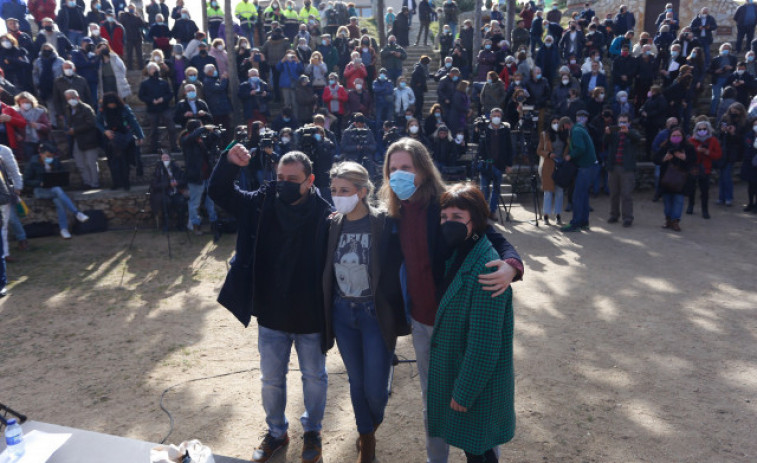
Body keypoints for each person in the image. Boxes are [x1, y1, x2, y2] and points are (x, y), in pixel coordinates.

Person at [378, 138, 523, 463]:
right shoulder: (393, 213)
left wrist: (512, 266)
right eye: (392, 169)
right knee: (434, 400)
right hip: (420, 322)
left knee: (474, 397)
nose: (398, 174)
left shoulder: (442, 207)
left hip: (454, 322)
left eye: (406, 167)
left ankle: (486, 454)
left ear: (423, 171)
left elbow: (493, 235)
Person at [209, 147, 331, 463]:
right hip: (272, 313)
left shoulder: (327, 214)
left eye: (293, 179)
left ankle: (313, 432)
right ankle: (276, 433)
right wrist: (228, 163)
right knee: (271, 380)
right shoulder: (261, 203)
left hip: (311, 315)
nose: (284, 183)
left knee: (315, 378)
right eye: (280, 177)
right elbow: (221, 192)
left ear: (310, 180)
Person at [322, 161, 408, 463]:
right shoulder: (332, 223)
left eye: (344, 190)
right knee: (356, 382)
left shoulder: (383, 223)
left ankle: (370, 425)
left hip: (375, 315)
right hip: (342, 315)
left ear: (361, 191)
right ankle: (366, 439)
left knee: (376, 391)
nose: (337, 196)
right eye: (333, 190)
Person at [428, 183, 515, 463]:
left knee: (479, 452)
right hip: (462, 375)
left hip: (476, 387)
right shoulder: (461, 250)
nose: (448, 224)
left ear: (475, 221)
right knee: (475, 448)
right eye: (444, 217)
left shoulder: (487, 268)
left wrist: (464, 393)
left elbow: (485, 344)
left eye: (457, 217)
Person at [24, 142, 90, 239]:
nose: (50, 158)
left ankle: (64, 229)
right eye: (48, 156)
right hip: (40, 191)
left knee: (58, 199)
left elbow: (61, 173)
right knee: (57, 190)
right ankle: (76, 213)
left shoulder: (55, 161)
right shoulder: (33, 163)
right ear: (41, 154)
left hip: (54, 190)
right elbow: (26, 181)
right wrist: (39, 183)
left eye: (51, 156)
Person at [97, 91, 144, 190]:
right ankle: (116, 183)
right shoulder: (102, 110)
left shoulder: (124, 108)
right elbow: (97, 122)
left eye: (113, 104)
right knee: (112, 162)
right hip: (110, 139)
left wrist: (140, 136)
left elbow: (133, 122)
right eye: (109, 105)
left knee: (125, 161)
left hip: (124, 137)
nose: (111, 106)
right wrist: (105, 131)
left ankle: (126, 183)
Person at [180, 119, 218, 236]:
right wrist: (205, 128)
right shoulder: (186, 139)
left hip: (207, 174)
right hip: (196, 176)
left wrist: (215, 133)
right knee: (195, 203)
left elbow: (213, 143)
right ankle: (196, 226)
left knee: (210, 201)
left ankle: (214, 224)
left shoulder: (201, 139)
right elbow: (193, 136)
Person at [561, 111, 597, 233]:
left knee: (577, 196)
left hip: (585, 167)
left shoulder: (575, 132)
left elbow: (580, 148)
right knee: (584, 196)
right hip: (590, 166)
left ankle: (575, 223)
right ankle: (584, 222)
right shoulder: (580, 129)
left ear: (566, 125)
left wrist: (570, 156)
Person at [654, 127, 696, 232]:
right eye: (673, 136)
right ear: (670, 137)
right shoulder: (665, 146)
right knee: (667, 201)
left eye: (678, 136)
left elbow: (694, 161)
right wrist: (664, 158)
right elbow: (655, 159)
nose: (676, 138)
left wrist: (684, 158)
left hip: (681, 179)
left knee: (678, 201)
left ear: (683, 137)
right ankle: (668, 219)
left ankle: (675, 221)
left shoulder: (689, 147)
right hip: (666, 178)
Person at [603, 113, 640, 227]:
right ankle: (614, 215)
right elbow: (605, 143)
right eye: (621, 121)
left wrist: (627, 132)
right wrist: (608, 133)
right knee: (614, 193)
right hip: (613, 167)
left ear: (629, 123)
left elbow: (637, 138)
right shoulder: (614, 134)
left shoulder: (632, 133)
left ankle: (627, 217)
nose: (622, 124)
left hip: (627, 169)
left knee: (626, 194)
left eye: (625, 121)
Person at [477, 108, 512, 215]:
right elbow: (478, 145)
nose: (496, 117)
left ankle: (492, 211)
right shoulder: (484, 129)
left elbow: (509, 148)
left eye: (498, 116)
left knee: (496, 191)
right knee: (484, 190)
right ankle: (483, 212)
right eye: (494, 115)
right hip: (486, 164)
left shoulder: (505, 130)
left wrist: (509, 164)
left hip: (499, 164)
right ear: (490, 117)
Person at [64, 89, 100, 189]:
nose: (70, 100)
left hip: (89, 139)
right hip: (77, 140)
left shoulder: (86, 108)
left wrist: (75, 130)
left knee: (91, 163)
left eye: (72, 98)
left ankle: (95, 183)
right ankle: (87, 182)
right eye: (68, 98)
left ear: (77, 97)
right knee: (80, 163)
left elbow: (91, 123)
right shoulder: (68, 109)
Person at [686, 119, 722, 219]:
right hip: (694, 167)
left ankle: (705, 210)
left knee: (705, 190)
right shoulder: (691, 141)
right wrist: (696, 151)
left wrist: (708, 153)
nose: (702, 131)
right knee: (692, 188)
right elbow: (687, 154)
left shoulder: (713, 140)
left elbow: (718, 154)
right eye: (699, 129)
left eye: (704, 129)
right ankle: (690, 205)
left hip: (706, 168)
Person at [139, 61, 177, 153]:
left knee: (171, 128)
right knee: (153, 131)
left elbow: (170, 94)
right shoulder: (145, 83)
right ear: (148, 71)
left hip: (164, 108)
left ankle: (174, 147)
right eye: (153, 69)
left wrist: (163, 99)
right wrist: (151, 101)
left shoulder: (164, 82)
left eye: (156, 68)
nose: (155, 70)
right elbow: (141, 96)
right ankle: (153, 148)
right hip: (152, 109)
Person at [536, 116, 566, 226]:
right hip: (548, 165)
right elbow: (539, 150)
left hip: (561, 166)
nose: (556, 124)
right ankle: (546, 215)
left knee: (559, 192)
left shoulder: (565, 134)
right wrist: (548, 154)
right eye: (554, 122)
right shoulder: (545, 135)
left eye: (558, 122)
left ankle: (558, 215)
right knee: (548, 192)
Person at [717, 102, 748, 207]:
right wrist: (723, 131)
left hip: (733, 151)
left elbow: (742, 140)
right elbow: (718, 134)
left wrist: (733, 133)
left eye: (736, 110)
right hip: (723, 149)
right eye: (732, 109)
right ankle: (721, 197)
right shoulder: (725, 118)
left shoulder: (743, 122)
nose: (734, 111)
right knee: (721, 175)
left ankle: (728, 197)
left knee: (726, 175)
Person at [150, 151, 187, 231]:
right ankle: (166, 225)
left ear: (170, 159)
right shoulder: (159, 170)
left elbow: (183, 179)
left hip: (176, 191)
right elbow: (155, 185)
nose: (165, 160)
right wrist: (168, 184)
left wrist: (177, 182)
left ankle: (181, 225)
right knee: (166, 203)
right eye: (163, 158)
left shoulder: (176, 168)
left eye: (167, 158)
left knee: (181, 202)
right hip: (164, 193)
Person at [14, 92, 51, 162]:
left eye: (27, 102)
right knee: (31, 161)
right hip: (25, 141)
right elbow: (13, 128)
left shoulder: (40, 112)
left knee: (44, 161)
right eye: (23, 102)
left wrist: (38, 126)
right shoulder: (16, 114)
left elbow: (48, 127)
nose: (25, 104)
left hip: (40, 140)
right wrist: (17, 135)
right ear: (19, 103)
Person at [742, 118, 757, 212]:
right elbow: (747, 146)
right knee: (751, 185)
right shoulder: (749, 135)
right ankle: (750, 203)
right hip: (750, 163)